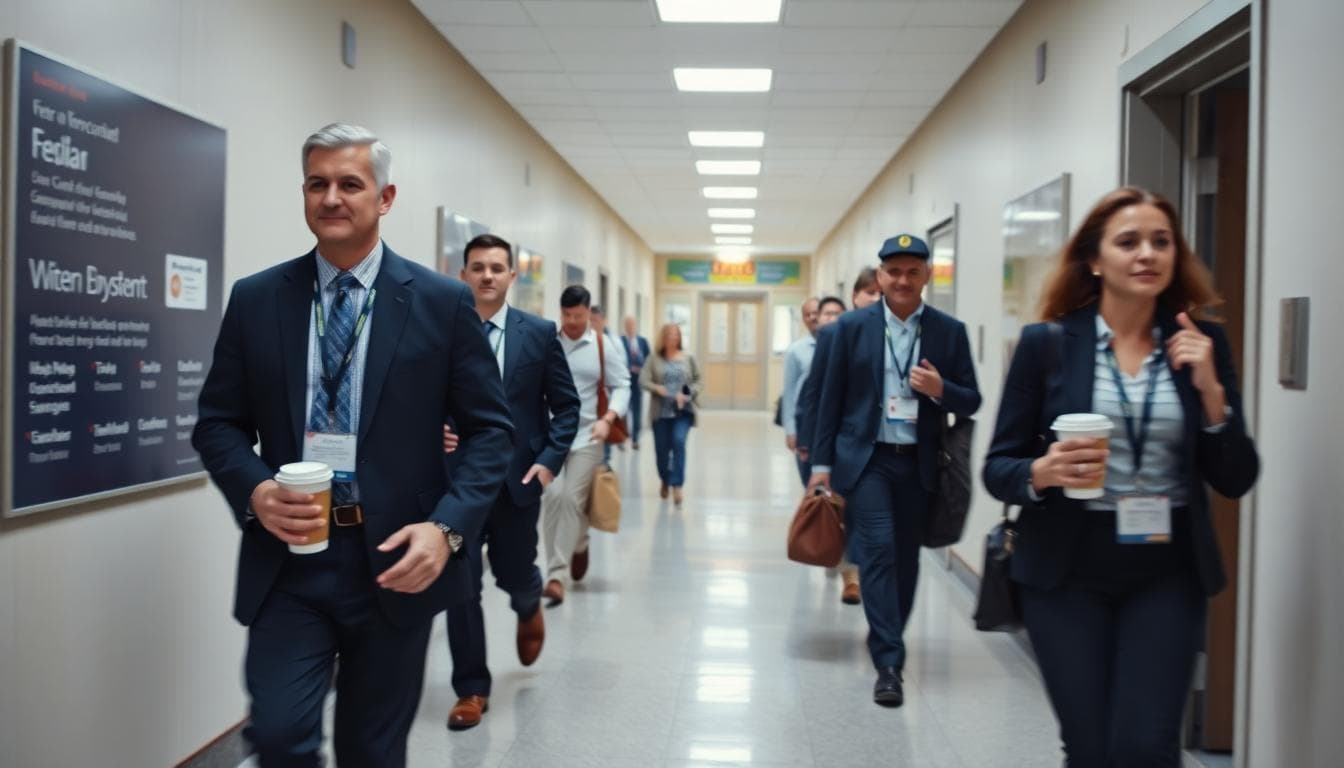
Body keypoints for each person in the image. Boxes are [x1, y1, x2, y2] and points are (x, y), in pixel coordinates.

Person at [192, 123, 513, 767]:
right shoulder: (258, 300)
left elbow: (490, 432)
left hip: (395, 560)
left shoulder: (443, 303)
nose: (331, 198)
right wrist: (255, 488)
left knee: (372, 749)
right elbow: (217, 423)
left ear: (385, 198)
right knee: (280, 736)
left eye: (350, 184)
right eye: (317, 184)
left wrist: (446, 530)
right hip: (289, 560)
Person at [983, 186, 1259, 767]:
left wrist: (1212, 392)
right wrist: (1043, 470)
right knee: (1089, 746)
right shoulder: (1048, 345)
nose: (1147, 254)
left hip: (1168, 569)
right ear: (1094, 259)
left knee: (1147, 745)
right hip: (1065, 572)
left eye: (1162, 242)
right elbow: (997, 468)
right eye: (1128, 241)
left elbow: (1236, 476)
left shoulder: (1203, 346)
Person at [809, 233, 981, 708]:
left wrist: (942, 388)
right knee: (879, 550)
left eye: (913, 271)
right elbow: (830, 401)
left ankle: (886, 636)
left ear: (927, 275)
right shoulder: (849, 330)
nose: (902, 280)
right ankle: (889, 662)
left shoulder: (949, 331)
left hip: (920, 462)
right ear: (880, 276)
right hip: (867, 461)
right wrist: (820, 464)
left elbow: (973, 399)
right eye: (893, 271)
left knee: (905, 559)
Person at [440, 233, 581, 730]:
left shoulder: (539, 333)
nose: (487, 276)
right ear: (464, 275)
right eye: (477, 267)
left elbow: (566, 407)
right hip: (456, 486)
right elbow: (418, 397)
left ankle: (528, 604)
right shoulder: (443, 330)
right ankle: (472, 689)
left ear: (512, 276)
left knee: (513, 573)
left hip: (517, 480)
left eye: (497, 268)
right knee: (460, 585)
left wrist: (547, 461)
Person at [541, 286, 630, 605]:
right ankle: (576, 543)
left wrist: (608, 418)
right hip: (550, 435)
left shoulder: (604, 346)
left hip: (588, 435)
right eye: (567, 315)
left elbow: (622, 385)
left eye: (578, 316)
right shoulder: (547, 340)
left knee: (571, 498)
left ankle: (555, 575)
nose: (572, 322)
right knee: (552, 496)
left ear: (589, 312)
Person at [639, 323, 703, 506]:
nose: (673, 338)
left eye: (676, 335)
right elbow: (643, 380)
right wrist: (657, 388)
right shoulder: (654, 358)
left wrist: (689, 393)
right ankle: (665, 479)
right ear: (663, 337)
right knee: (661, 452)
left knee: (679, 442)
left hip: (683, 411)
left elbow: (699, 380)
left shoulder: (688, 358)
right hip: (661, 413)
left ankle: (677, 486)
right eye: (669, 334)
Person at [781, 297, 821, 484]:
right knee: (810, 484)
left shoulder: (841, 344)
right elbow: (789, 394)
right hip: (805, 425)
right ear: (803, 320)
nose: (813, 317)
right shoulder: (796, 351)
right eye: (808, 314)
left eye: (816, 312)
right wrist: (791, 430)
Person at [590, 304, 627, 463]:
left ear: (603, 321)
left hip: (607, 395)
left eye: (596, 320)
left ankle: (604, 462)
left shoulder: (613, 342)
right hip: (590, 397)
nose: (592, 323)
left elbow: (621, 372)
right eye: (590, 320)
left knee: (604, 429)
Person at [622, 316, 651, 450]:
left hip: (638, 379)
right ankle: (622, 437)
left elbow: (649, 359)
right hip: (625, 379)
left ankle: (635, 439)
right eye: (628, 325)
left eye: (632, 324)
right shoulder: (620, 341)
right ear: (625, 327)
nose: (630, 327)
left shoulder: (643, 341)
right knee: (623, 409)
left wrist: (643, 370)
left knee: (637, 409)